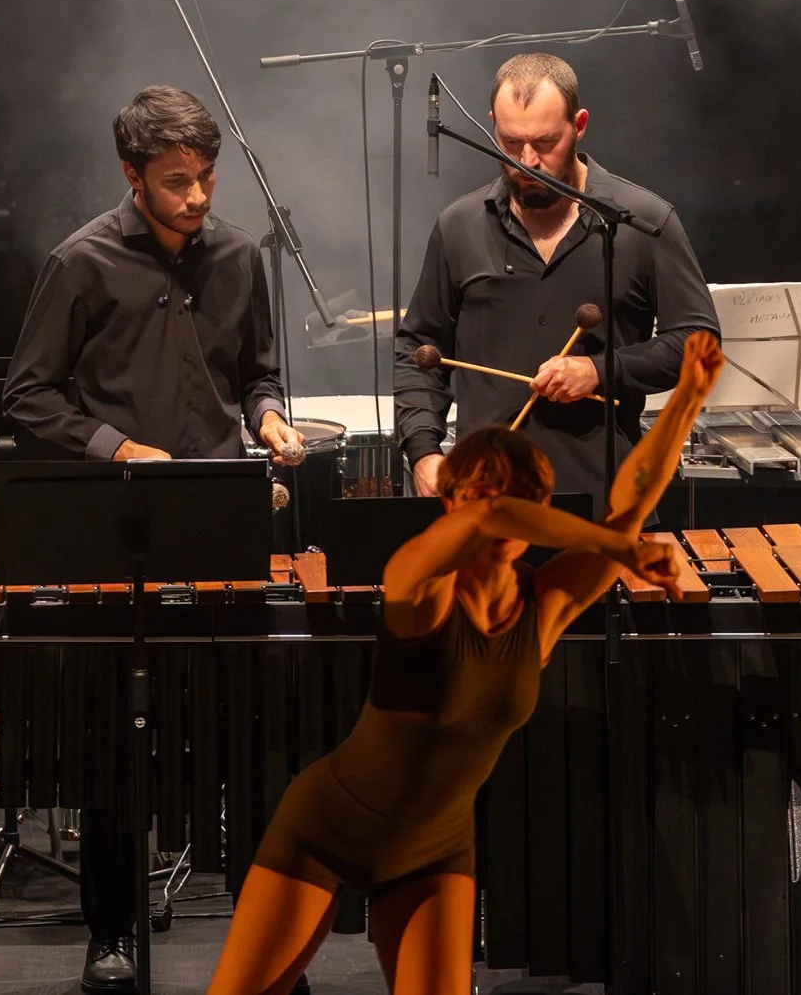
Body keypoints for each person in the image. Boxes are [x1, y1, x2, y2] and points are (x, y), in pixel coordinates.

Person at [209, 331, 723, 995]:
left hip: (435, 850)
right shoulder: (416, 581)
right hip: (326, 831)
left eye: (514, 501)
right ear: (449, 503)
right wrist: (616, 547)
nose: (493, 514)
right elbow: (497, 523)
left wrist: (683, 401)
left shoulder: (545, 603)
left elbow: (631, 506)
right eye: (475, 498)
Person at [2, 84, 310, 993]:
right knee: (114, 741)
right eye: (177, 181)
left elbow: (256, 375)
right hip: (123, 531)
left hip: (220, 519)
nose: (199, 198)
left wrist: (271, 419)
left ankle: (264, 939)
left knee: (247, 738)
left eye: (206, 178)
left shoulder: (240, 258)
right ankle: (111, 934)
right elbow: (27, 397)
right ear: (132, 177)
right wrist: (117, 446)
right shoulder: (81, 263)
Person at [395, 52, 719, 500]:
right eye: (510, 143)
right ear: (492, 125)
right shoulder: (459, 226)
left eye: (546, 143)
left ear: (579, 125)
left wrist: (600, 371)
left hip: (605, 504)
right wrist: (424, 451)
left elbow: (698, 344)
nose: (528, 161)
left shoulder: (640, 222)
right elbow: (416, 349)